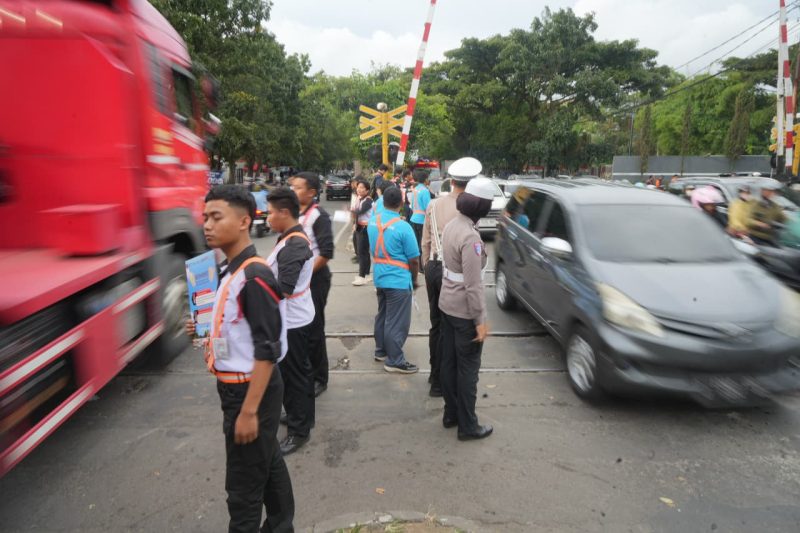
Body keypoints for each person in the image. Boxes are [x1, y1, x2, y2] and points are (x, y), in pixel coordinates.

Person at [192, 185, 294, 532]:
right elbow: (237, 327)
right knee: (267, 463)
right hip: (238, 390)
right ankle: (281, 526)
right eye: (205, 217)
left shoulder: (254, 275)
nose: (207, 225)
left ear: (244, 221)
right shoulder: (230, 269)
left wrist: (249, 412)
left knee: (243, 490)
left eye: (216, 217)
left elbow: (267, 350)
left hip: (251, 391)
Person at [438, 177, 495, 441]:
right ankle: (468, 426)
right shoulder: (471, 237)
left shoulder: (452, 225)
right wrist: (480, 320)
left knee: (448, 364)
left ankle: (451, 414)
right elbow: (473, 286)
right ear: (483, 208)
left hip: (447, 306)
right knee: (468, 370)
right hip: (464, 312)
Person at [420, 157, 480, 398]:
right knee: (454, 328)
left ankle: (435, 379)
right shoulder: (470, 208)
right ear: (471, 183)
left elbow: (425, 240)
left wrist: (427, 264)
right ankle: (449, 381)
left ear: (451, 181)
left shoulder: (434, 204)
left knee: (436, 325)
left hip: (433, 267)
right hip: (454, 272)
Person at [266, 187, 316, 456]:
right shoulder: (288, 238)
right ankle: (300, 415)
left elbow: (283, 288)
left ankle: (299, 430)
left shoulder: (294, 245)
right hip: (293, 317)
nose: (268, 218)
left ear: (284, 213)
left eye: (270, 213)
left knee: (295, 376)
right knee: (296, 374)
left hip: (293, 321)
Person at [368, 186, 421, 374]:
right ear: (401, 203)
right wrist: (414, 280)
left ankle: (381, 350)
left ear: (383, 202)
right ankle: (395, 360)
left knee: (383, 315)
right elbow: (414, 260)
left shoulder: (373, 221)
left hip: (380, 276)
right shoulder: (403, 227)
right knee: (397, 322)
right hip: (398, 280)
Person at [290, 173, 334, 398]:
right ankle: (304, 372)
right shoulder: (293, 214)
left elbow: (326, 253)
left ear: (311, 192)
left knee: (314, 329)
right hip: (297, 282)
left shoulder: (318, 216)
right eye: (293, 187)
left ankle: (319, 378)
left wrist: (304, 275)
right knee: (299, 329)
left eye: (298, 188)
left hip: (315, 281)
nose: (293, 191)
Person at [351, 179, 373, 286]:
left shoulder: (368, 201)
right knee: (362, 252)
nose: (359, 189)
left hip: (365, 228)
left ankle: (362, 276)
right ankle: (367, 274)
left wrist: (349, 211)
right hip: (359, 227)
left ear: (367, 190)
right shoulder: (359, 199)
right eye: (358, 187)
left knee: (362, 253)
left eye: (362, 188)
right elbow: (356, 213)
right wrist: (354, 224)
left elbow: (360, 212)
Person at [409, 170, 431, 248]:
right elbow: (428, 207)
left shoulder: (415, 189)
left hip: (413, 219)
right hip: (422, 220)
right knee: (422, 244)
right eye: (428, 178)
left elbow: (411, 204)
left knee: (416, 243)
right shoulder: (425, 191)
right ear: (425, 180)